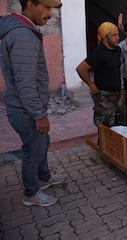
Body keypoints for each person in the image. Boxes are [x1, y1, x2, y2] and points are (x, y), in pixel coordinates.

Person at [0, 0, 65, 207]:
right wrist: (38, 114)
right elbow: (25, 83)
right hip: (25, 110)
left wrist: (41, 104)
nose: (50, 13)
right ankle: (31, 193)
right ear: (30, 3)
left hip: (27, 107)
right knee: (32, 150)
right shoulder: (22, 36)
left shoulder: (26, 30)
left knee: (41, 143)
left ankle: (44, 177)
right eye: (46, 8)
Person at [76, 21, 127, 127]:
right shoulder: (99, 53)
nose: (118, 37)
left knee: (120, 127)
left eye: (118, 34)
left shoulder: (117, 50)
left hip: (118, 95)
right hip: (104, 97)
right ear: (105, 37)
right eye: (114, 35)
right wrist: (91, 85)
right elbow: (81, 69)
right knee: (105, 130)